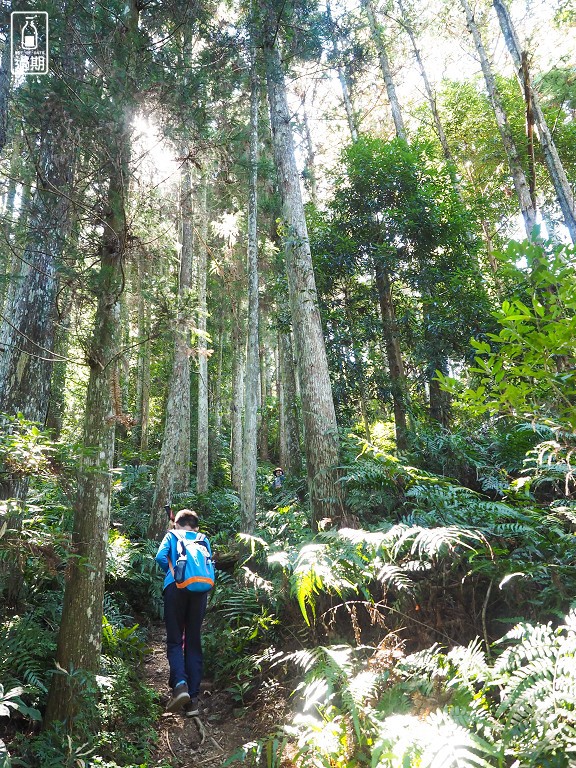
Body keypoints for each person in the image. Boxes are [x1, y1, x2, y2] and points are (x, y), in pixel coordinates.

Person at [155, 509, 211, 715]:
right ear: (196, 526)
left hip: (175, 589)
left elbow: (160, 557)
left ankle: (180, 685)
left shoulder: (172, 535)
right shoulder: (203, 538)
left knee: (175, 640)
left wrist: (174, 573)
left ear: (176, 523)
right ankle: (193, 700)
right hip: (199, 591)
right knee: (194, 641)